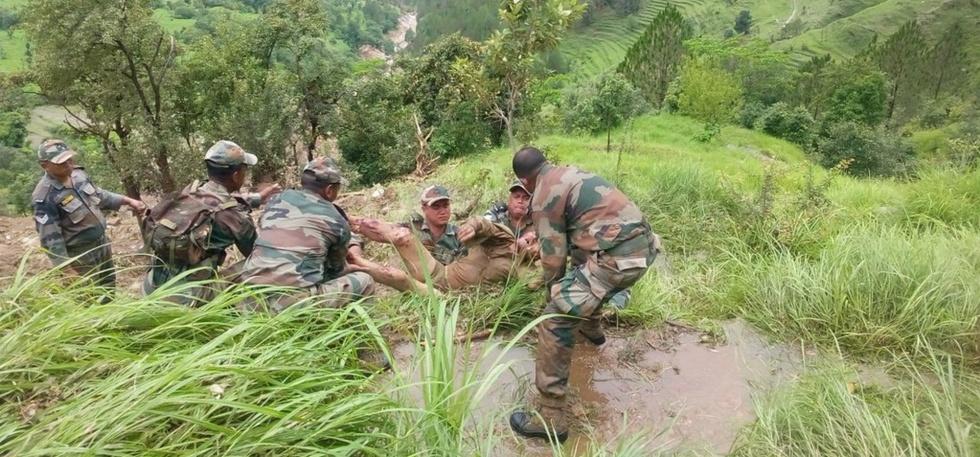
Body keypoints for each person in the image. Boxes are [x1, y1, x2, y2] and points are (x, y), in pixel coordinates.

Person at [508, 146, 660, 443]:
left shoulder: (543, 195)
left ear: (524, 181)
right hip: (645, 248)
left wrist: (552, 296)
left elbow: (552, 259)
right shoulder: (571, 173)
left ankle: (551, 417)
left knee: (555, 319)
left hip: (618, 260)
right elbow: (579, 243)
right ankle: (592, 330)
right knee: (582, 272)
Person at [238, 157, 375, 311]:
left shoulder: (276, 200)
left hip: (250, 299)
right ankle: (355, 332)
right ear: (329, 190)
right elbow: (335, 270)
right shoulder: (336, 220)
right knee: (365, 281)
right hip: (291, 306)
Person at [141, 140, 264, 305]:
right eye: (244, 170)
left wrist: (258, 198)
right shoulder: (235, 216)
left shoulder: (185, 194)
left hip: (151, 289)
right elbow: (256, 255)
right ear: (236, 176)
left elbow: (217, 201)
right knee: (259, 265)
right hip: (188, 299)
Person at [31, 139, 146, 290]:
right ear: (45, 165)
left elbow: (99, 195)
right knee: (87, 297)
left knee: (108, 286)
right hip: (80, 255)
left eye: (69, 159)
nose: (68, 164)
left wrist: (128, 201)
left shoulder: (79, 176)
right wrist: (66, 270)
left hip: (101, 243)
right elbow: (51, 239)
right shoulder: (44, 197)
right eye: (61, 162)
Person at [403, 185, 467, 265]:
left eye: (446, 206)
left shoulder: (460, 235)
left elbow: (463, 267)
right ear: (424, 209)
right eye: (436, 207)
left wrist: (434, 250)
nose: (443, 211)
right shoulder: (412, 230)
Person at [484, 179, 538, 261]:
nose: (520, 201)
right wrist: (517, 244)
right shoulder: (497, 214)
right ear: (509, 200)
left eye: (526, 198)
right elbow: (484, 232)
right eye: (516, 197)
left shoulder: (537, 220)